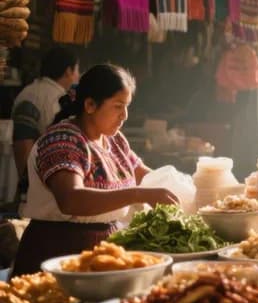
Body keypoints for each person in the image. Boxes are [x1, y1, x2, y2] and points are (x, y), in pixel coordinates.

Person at [11, 65, 179, 276]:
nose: (125, 115)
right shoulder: (63, 140)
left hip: (105, 250)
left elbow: (147, 176)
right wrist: (139, 194)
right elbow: (71, 200)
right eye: (118, 106)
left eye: (127, 106)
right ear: (90, 104)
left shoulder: (114, 140)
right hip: (58, 253)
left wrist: (187, 185)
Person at [12, 47, 79, 200]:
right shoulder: (56, 99)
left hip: (32, 184)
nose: (77, 76)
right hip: (42, 186)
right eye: (77, 70)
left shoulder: (28, 91)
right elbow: (24, 141)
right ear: (68, 71)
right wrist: (29, 183)